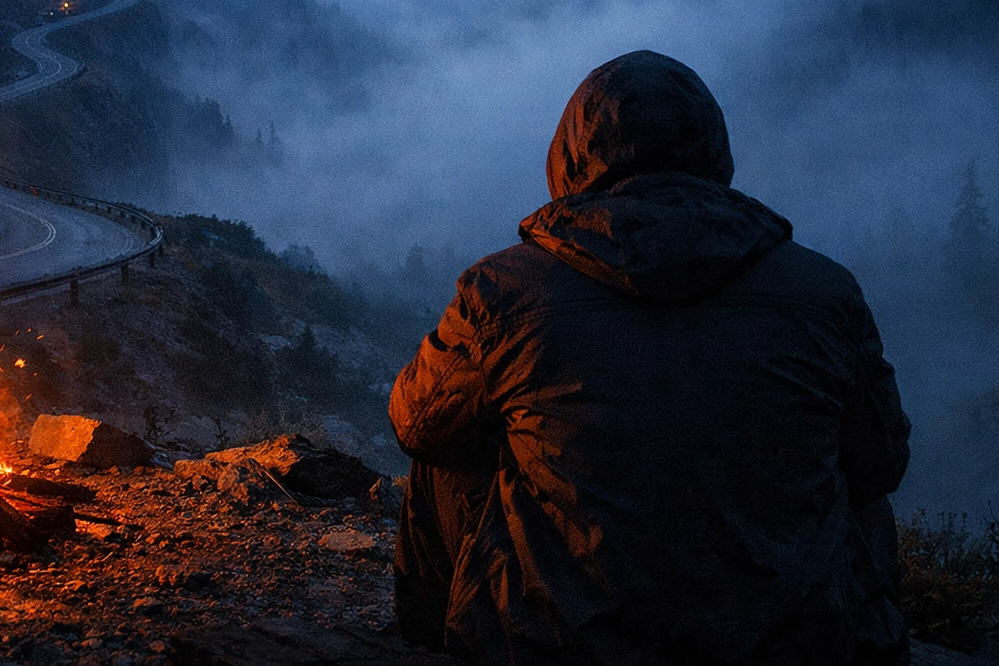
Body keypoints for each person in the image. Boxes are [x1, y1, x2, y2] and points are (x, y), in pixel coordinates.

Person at [390, 51, 910, 665]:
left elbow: (412, 424)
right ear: (712, 147)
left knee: (445, 436)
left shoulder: (503, 290)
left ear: (572, 153)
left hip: (559, 647)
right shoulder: (826, 291)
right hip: (787, 646)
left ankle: (439, 646)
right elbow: (881, 463)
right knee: (854, 478)